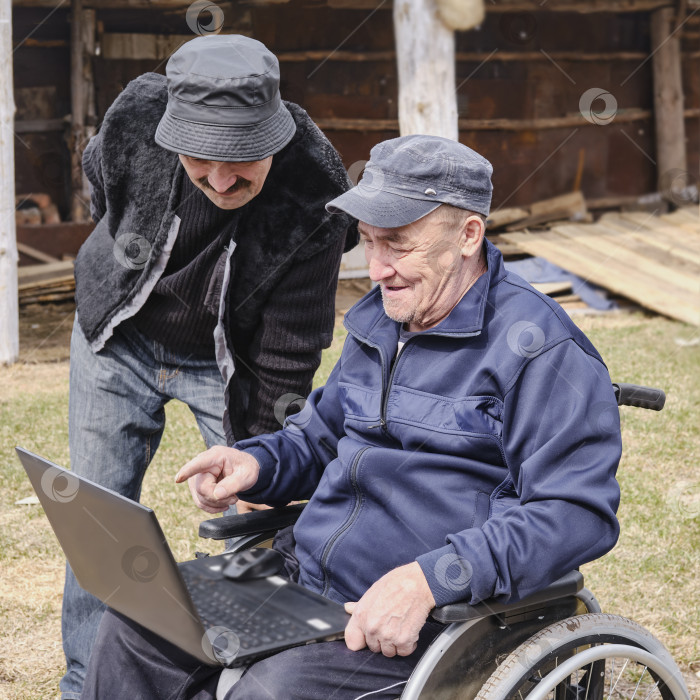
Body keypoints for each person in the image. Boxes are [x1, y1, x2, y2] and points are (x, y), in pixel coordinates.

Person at [80, 135, 623, 700]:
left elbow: (574, 513)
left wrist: (431, 580)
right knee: (137, 622)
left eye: (397, 245)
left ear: (468, 236)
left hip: (431, 617)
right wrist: (255, 463)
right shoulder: (381, 321)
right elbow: (319, 438)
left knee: (268, 695)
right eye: (367, 243)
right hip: (306, 575)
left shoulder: (540, 352)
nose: (378, 269)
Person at [62, 34, 356, 699]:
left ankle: (230, 679)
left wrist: (261, 451)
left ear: (274, 137)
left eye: (244, 159)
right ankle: (87, 685)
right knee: (98, 527)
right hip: (117, 338)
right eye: (204, 158)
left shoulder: (316, 192)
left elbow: (292, 343)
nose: (223, 181)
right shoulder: (136, 117)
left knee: (254, 523)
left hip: (227, 363)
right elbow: (100, 194)